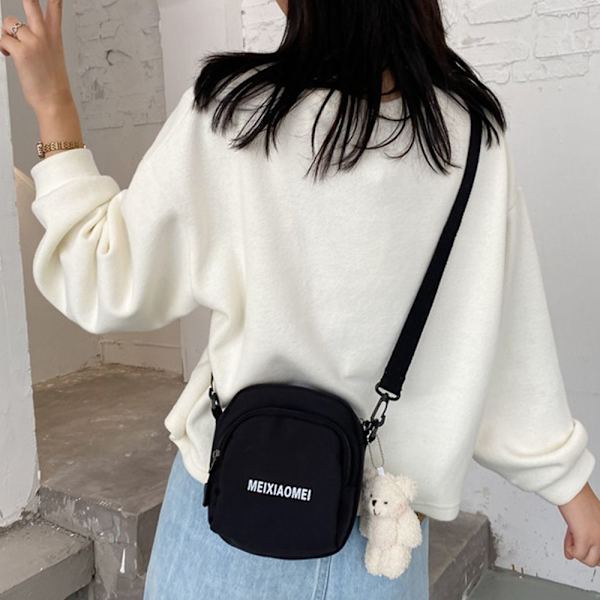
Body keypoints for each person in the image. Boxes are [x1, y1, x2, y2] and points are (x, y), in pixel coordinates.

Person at [2, 0, 599, 598]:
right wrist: (568, 485)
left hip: (230, 517)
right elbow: (505, 331)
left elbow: (106, 280)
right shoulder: (468, 136)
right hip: (383, 538)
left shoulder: (236, 114)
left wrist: (54, 105)